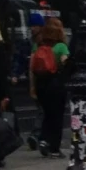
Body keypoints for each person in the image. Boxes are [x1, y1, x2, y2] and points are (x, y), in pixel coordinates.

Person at [30, 21, 68, 154]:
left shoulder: (37, 46)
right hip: (56, 85)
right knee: (57, 116)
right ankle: (54, 148)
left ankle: (43, 139)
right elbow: (65, 63)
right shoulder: (61, 47)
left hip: (41, 85)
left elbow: (32, 68)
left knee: (46, 113)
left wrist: (32, 87)